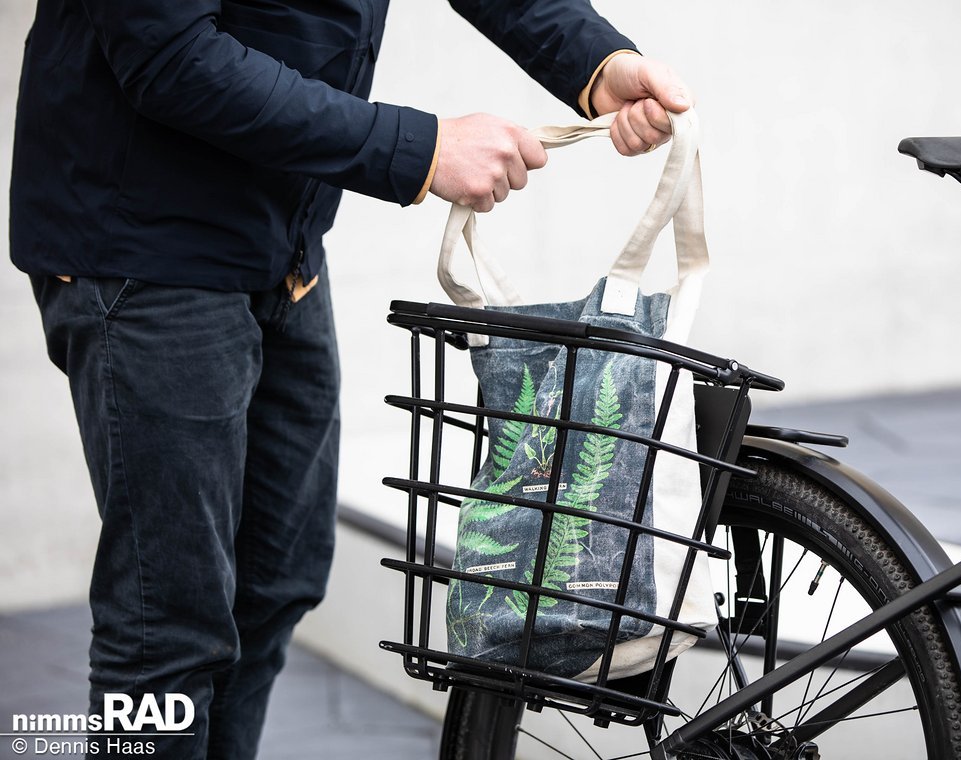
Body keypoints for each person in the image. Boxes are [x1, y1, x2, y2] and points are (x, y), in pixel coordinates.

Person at [9, 1, 692, 757]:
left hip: (283, 244)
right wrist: (423, 148)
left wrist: (595, 64)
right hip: (145, 248)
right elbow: (171, 56)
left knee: (274, 581)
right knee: (167, 627)